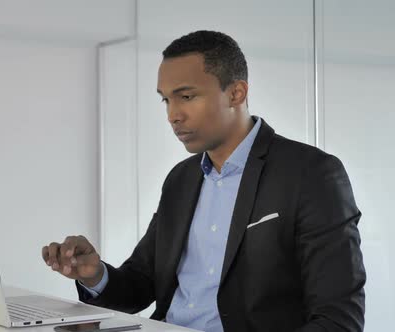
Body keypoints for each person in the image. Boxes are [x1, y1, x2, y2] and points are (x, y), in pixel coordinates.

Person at [41, 30, 365, 332]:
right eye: (166, 100)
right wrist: (94, 275)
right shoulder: (181, 179)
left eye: (186, 96)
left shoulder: (310, 174)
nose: (173, 115)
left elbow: (338, 319)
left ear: (236, 93)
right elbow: (141, 284)